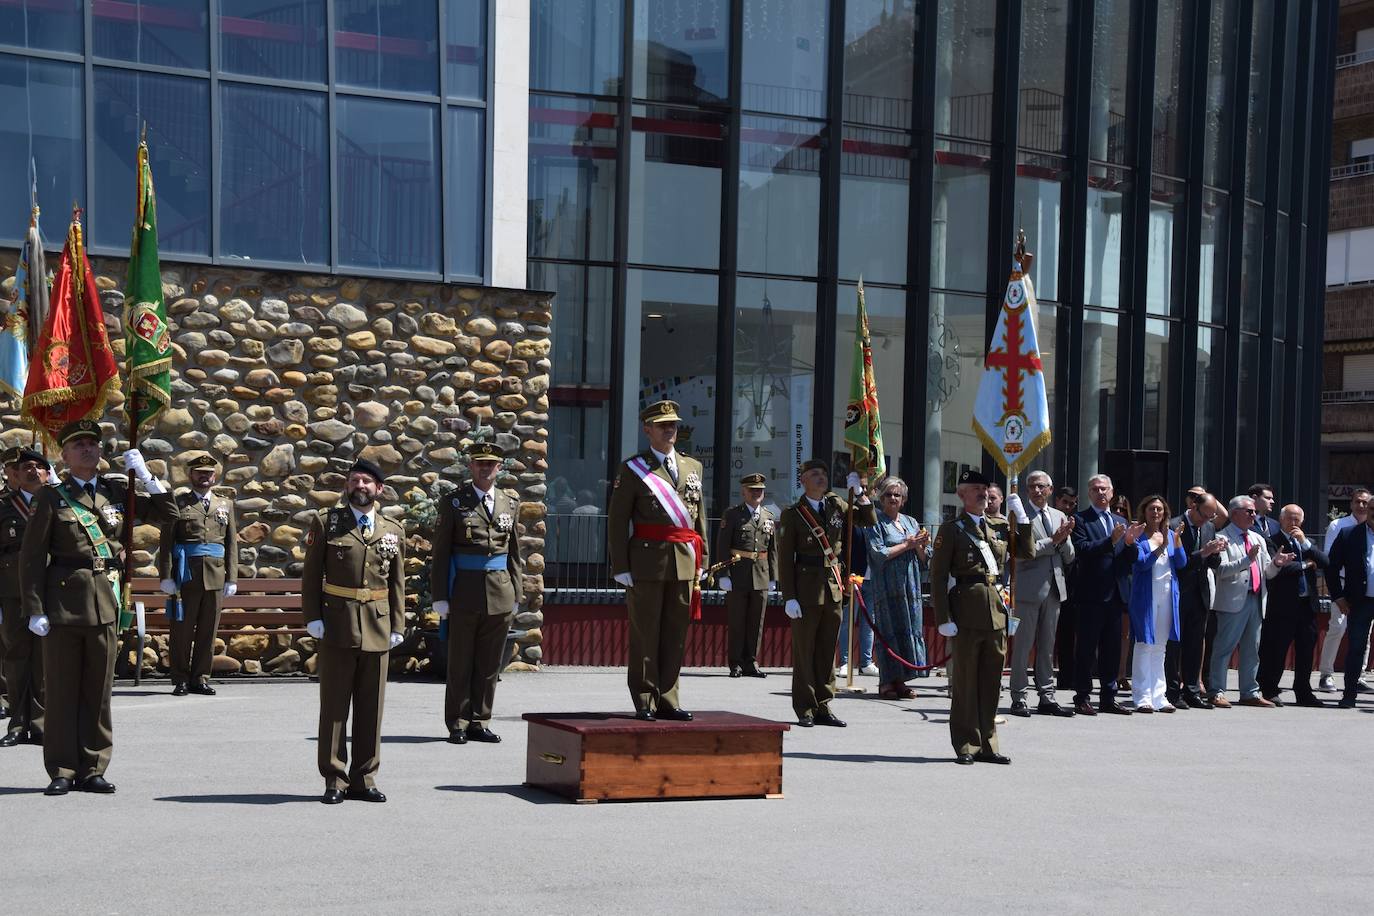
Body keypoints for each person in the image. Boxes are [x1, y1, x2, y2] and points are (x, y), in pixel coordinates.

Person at [19, 421, 177, 796]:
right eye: (80, 445)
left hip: (106, 604)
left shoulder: (117, 491)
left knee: (98, 691)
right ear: (65, 455)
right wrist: (34, 608)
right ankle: (61, 767)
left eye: (93, 444)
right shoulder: (51, 497)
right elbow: (31, 557)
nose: (89, 450)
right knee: (60, 690)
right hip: (62, 605)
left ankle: (93, 766)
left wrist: (148, 477)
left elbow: (169, 515)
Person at [302, 459, 405, 804]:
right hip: (337, 624)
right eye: (354, 480)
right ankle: (334, 778)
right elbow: (311, 575)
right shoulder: (327, 523)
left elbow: (397, 583)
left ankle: (365, 778)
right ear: (347, 487)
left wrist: (398, 623)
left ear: (379, 490)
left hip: (377, 624)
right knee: (334, 707)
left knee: (370, 707)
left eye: (367, 481)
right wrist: (313, 616)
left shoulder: (392, 529)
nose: (360, 486)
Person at [607, 400, 710, 722]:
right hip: (647, 563)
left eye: (674, 424)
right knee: (645, 633)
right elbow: (616, 520)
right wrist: (620, 566)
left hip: (684, 560)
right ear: (647, 429)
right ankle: (644, 699)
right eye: (663, 424)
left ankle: (669, 697)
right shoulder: (634, 468)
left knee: (675, 633)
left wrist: (703, 557)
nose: (670, 429)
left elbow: (699, 516)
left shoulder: (693, 467)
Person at [931, 469, 1027, 764]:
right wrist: (943, 617)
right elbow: (937, 576)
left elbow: (1025, 551)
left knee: (991, 682)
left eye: (985, 489)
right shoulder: (952, 529)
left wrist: (1021, 519)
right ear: (962, 495)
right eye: (976, 489)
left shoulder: (999, 526)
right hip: (965, 611)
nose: (983, 493)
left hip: (996, 613)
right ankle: (966, 745)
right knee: (965, 683)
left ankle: (988, 744)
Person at [431, 442, 524, 744]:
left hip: (500, 591)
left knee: (489, 663)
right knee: (460, 661)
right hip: (464, 591)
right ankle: (457, 722)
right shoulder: (454, 502)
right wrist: (440, 596)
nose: (486, 468)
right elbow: (441, 553)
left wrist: (517, 593)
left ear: (500, 468)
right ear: (471, 467)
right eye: (480, 463)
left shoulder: (510, 503)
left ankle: (480, 720)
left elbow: (514, 554)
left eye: (491, 463)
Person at [777, 458, 875, 727]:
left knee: (826, 650)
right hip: (806, 590)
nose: (821, 477)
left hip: (833, 587)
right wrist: (790, 597)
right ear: (803, 481)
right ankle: (805, 707)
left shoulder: (836, 504)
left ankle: (823, 704)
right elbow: (784, 559)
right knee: (805, 651)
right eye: (815, 474)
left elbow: (868, 520)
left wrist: (860, 493)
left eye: (823, 473)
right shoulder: (793, 514)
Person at [157, 453, 238, 697]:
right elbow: (166, 542)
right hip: (186, 576)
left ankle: (200, 678)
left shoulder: (226, 505)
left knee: (208, 629)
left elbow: (232, 543)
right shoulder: (178, 503)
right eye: (199, 472)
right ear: (190, 475)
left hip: (215, 575)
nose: (204, 476)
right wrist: (166, 576)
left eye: (208, 473)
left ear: (215, 476)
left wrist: (232, 578)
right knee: (181, 630)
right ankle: (180, 678)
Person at [1208, 494, 1290, 708]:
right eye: (1249, 511)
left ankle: (1249, 692)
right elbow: (1222, 570)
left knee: (1252, 650)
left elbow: (1266, 573)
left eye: (1254, 511)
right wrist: (1247, 560)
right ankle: (1216, 691)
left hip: (1256, 599)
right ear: (1234, 513)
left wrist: (1277, 564)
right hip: (1232, 601)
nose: (1254, 515)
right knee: (1224, 648)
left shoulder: (1257, 539)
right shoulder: (1222, 537)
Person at [1070, 474, 1141, 716]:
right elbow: (1082, 550)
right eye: (1095, 489)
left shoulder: (1120, 519)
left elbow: (1130, 559)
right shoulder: (1080, 519)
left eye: (1104, 489)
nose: (1100, 493)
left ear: (1111, 493)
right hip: (1091, 595)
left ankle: (1109, 697)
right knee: (1087, 650)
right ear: (1089, 493)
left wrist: (1130, 543)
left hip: (1116, 595)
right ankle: (1082, 696)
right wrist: (1109, 541)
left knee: (1112, 650)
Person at [1008, 470, 1075, 717]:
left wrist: (1064, 539)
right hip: (1028, 589)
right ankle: (1019, 696)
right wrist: (1053, 541)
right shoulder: (1018, 516)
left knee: (1048, 647)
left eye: (1041, 487)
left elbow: (1070, 556)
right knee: (1024, 646)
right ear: (1027, 491)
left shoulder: (1059, 515)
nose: (1037, 491)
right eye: (1032, 487)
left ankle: (1047, 696)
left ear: (1050, 489)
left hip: (1055, 589)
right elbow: (1022, 553)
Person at [861, 477, 929, 700]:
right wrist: (907, 545)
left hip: (911, 587)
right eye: (888, 494)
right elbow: (878, 554)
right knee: (889, 631)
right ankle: (886, 682)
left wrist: (920, 546)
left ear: (904, 499)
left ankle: (902, 680)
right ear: (880, 498)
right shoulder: (875, 521)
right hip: (887, 586)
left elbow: (924, 559)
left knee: (908, 630)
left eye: (897, 495)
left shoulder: (911, 521)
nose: (892, 498)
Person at [0, 448, 50, 748]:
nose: (31, 471)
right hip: (11, 591)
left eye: (38, 466)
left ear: (48, 472)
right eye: (25, 467)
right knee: (16, 658)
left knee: (45, 660)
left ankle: (42, 722)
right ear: (15, 474)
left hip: (48, 592)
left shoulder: (58, 502)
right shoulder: (3, 506)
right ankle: (18, 722)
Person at [1257, 504, 1328, 707]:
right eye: (1290, 518)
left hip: (1307, 606)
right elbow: (1279, 568)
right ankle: (1270, 689)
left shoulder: (1308, 544)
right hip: (1282, 607)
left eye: (1297, 519)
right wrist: (1306, 564)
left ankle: (1303, 692)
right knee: (1277, 651)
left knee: (1306, 651)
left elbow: (1325, 562)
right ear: (1281, 520)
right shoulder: (1272, 541)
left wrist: (1305, 544)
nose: (1293, 523)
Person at [1127, 496, 1187, 713]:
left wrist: (1177, 543)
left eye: (1159, 509)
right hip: (1146, 596)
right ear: (1144, 511)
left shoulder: (1171, 535)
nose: (1156, 513)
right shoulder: (1139, 536)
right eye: (1152, 509)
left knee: (1161, 647)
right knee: (1144, 644)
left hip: (1167, 595)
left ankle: (1159, 696)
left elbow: (1181, 563)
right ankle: (1142, 696)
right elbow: (1141, 564)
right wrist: (1160, 548)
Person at [1166, 491, 1224, 708]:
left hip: (1200, 593)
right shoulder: (1174, 526)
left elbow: (1212, 563)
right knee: (1175, 645)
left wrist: (1215, 553)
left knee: (1195, 644)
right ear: (1192, 506)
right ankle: (1173, 692)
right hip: (1179, 590)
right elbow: (1177, 562)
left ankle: (1192, 690)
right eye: (1204, 515)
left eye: (1211, 516)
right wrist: (1202, 553)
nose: (1207, 520)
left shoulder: (1208, 527)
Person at [715, 473, 776, 679]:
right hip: (738, 574)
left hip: (761, 574)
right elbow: (723, 546)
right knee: (737, 621)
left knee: (756, 622)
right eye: (752, 490)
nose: (757, 493)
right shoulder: (733, 514)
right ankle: (736, 663)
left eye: (760, 490)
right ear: (743, 492)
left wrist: (773, 577)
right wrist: (723, 573)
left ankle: (751, 661)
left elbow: (773, 550)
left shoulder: (768, 516)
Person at [1317, 487, 1371, 693]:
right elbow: (1330, 556)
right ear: (1351, 504)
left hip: (1366, 591)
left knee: (1364, 634)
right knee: (1337, 629)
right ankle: (1326, 674)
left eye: (1365, 502)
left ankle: (1359, 676)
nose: (1361, 506)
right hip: (1343, 585)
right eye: (1357, 501)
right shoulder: (1339, 525)